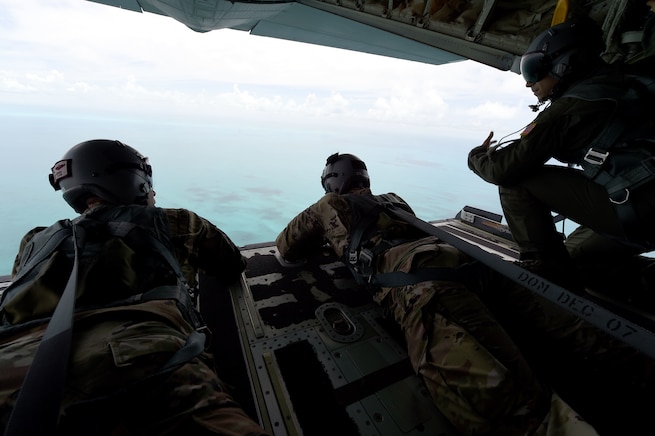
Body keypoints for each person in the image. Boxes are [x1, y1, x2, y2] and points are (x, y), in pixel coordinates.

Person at [276, 152, 598, 435]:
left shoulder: (329, 205)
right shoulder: (393, 199)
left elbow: (286, 245)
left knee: (502, 411)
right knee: (578, 334)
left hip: (422, 281)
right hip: (468, 261)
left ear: (332, 183)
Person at [0, 139, 269, 435]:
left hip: (19, 375)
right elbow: (231, 265)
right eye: (150, 185)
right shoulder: (176, 222)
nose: (153, 192)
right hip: (141, 357)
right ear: (137, 182)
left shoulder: (35, 242)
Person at [467, 17, 655, 293]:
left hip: (641, 208)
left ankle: (545, 274)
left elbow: (503, 168)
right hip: (644, 202)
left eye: (531, 70)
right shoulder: (625, 81)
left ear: (563, 64)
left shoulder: (572, 107)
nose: (529, 84)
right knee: (577, 256)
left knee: (517, 183)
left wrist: (477, 156)